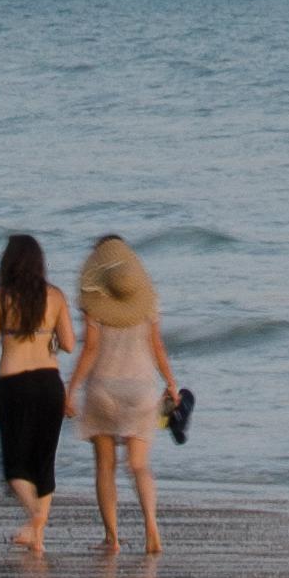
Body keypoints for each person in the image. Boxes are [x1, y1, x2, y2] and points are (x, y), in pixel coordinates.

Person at [67, 233, 184, 555]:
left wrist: (71, 388)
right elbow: (157, 346)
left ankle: (112, 539)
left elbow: (89, 349)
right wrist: (171, 383)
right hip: (142, 389)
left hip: (103, 388)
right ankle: (151, 528)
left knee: (105, 466)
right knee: (139, 465)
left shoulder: (92, 301)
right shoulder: (148, 302)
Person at [0, 231, 78, 554]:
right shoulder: (55, 296)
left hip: (14, 385)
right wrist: (49, 338)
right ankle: (37, 537)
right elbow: (69, 344)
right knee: (43, 463)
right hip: (49, 384)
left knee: (14, 466)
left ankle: (35, 518)